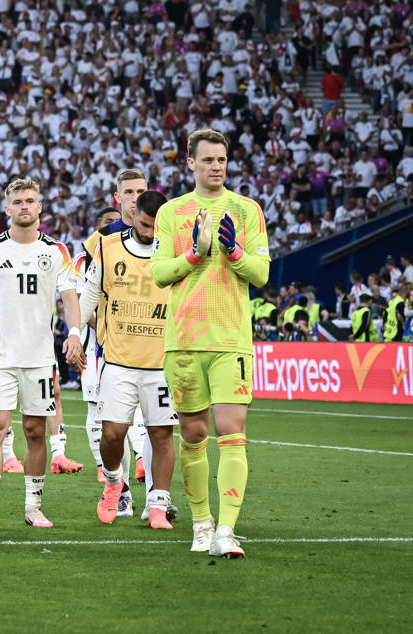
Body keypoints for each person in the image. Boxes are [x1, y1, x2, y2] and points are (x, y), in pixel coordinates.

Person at [151, 128, 270, 558]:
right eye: (208, 160)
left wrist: (235, 254)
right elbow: (160, 274)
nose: (216, 167)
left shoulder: (246, 209)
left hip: (230, 339)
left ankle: (226, 530)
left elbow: (262, 274)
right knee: (194, 433)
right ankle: (201, 523)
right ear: (191, 163)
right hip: (183, 341)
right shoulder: (172, 212)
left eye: (221, 160)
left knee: (231, 430)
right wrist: (195, 255)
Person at [0, 178, 85, 530]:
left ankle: (33, 508)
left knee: (35, 432)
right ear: (7, 207)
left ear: (40, 206)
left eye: (30, 200)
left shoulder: (56, 251)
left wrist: (74, 333)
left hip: (40, 359)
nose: (24, 206)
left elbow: (70, 298)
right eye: (17, 201)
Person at [80, 191, 178, 529]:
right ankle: (112, 483)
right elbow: (91, 293)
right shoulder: (108, 247)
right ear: (133, 214)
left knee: (161, 435)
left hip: (162, 362)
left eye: (156, 226)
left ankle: (158, 505)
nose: (150, 233)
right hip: (119, 359)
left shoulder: (174, 250)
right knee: (113, 434)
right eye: (146, 224)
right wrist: (74, 334)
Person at [73, 207, 121, 481]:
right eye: (108, 222)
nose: (115, 225)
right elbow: (81, 305)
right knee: (95, 406)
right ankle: (102, 465)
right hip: (94, 344)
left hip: (124, 341)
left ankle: (138, 459)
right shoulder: (84, 258)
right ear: (97, 228)